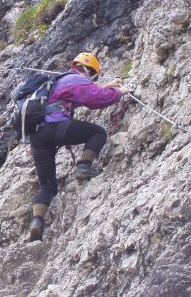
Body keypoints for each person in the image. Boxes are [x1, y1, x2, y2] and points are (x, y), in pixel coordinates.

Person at [28, 52, 129, 241]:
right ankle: (84, 166)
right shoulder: (76, 78)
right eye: (94, 77)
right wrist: (119, 92)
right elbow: (96, 98)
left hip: (37, 138)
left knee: (47, 186)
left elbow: (82, 97)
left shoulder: (59, 82)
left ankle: (37, 221)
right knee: (98, 132)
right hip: (56, 127)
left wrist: (106, 87)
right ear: (89, 71)